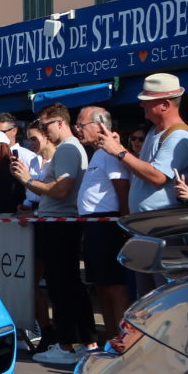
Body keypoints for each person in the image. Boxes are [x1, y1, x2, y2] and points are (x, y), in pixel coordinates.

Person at [11, 102, 91, 365]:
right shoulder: (68, 149)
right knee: (65, 285)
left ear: (59, 122)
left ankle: (67, 345)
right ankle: (81, 342)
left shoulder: (68, 148)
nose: (44, 132)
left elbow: (61, 190)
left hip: (60, 224)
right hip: (58, 222)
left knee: (62, 285)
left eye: (45, 126)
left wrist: (28, 180)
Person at [98, 73, 188, 215]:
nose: (142, 104)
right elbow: (142, 168)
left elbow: (157, 177)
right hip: (148, 221)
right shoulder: (154, 131)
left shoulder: (178, 136)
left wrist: (119, 152)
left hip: (162, 222)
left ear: (165, 105)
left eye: (147, 100)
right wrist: (118, 147)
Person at [73, 105, 131, 343]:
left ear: (99, 126)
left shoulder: (110, 153)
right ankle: (110, 340)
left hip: (110, 226)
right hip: (95, 226)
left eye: (81, 124)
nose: (77, 129)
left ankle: (122, 341)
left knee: (115, 288)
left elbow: (123, 189)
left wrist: (126, 227)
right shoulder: (97, 153)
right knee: (101, 287)